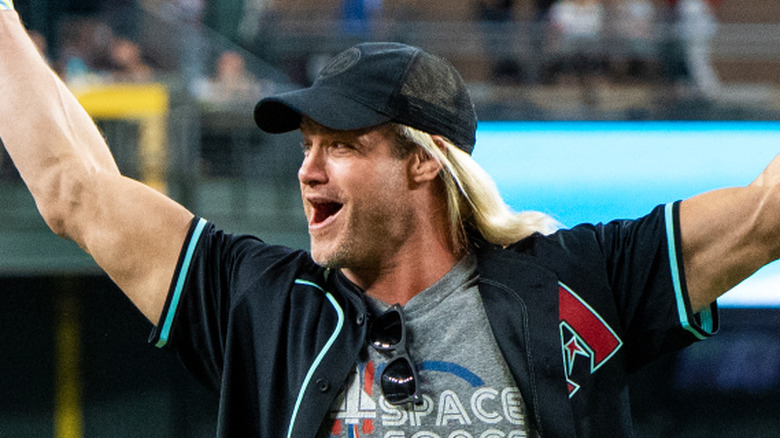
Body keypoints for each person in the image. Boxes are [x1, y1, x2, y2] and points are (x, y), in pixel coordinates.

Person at [0, 3, 779, 437]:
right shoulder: (264, 306)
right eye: (307, 146)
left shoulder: (581, 280)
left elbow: (765, 214)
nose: (308, 169)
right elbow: (72, 188)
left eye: (340, 145)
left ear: (423, 160)